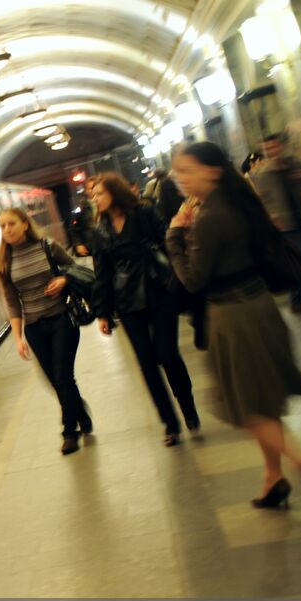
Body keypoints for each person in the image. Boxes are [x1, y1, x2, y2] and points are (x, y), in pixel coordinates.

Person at [166, 142, 301, 508]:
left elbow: (193, 280)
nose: (179, 179)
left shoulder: (213, 215)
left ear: (212, 170)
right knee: (261, 400)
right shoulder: (237, 202)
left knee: (244, 407)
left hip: (234, 317)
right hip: (258, 306)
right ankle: (273, 479)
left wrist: (175, 238)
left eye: (186, 170)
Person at [89, 174, 199, 445]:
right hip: (127, 302)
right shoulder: (100, 230)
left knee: (168, 355)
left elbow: (167, 244)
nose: (94, 199)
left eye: (99, 194)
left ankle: (187, 406)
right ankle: (169, 424)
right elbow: (101, 273)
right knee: (147, 364)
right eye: (93, 195)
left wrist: (177, 277)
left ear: (114, 192)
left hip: (159, 292)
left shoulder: (144, 213)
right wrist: (102, 313)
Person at [0, 207, 93, 454]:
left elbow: (74, 269)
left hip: (62, 318)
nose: (6, 229)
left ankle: (69, 431)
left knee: (63, 376)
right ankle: (80, 412)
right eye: (3, 226)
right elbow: (12, 301)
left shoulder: (47, 247)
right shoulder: (6, 262)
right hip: (34, 327)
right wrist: (18, 337)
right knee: (55, 380)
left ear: (24, 224)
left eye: (11, 224)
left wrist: (64, 280)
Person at [250, 133, 301, 312]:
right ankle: (297, 298)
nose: (270, 151)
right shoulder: (264, 173)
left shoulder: (293, 164)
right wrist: (272, 215)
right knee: (299, 260)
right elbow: (262, 199)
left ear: (280, 146)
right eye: (267, 149)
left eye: (273, 147)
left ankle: (298, 296)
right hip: (286, 224)